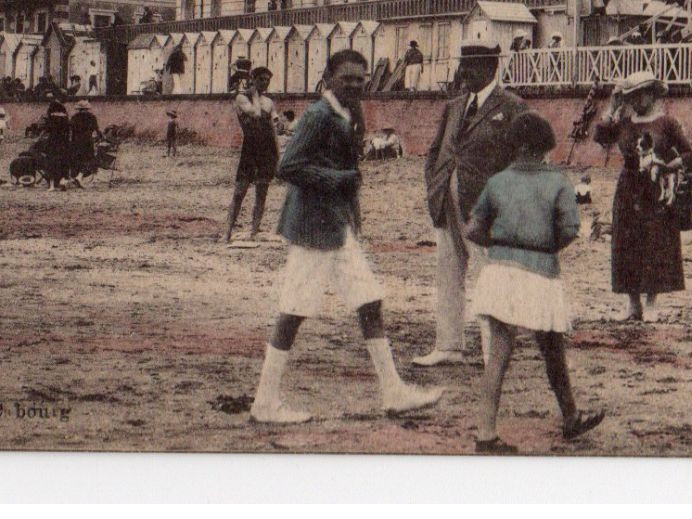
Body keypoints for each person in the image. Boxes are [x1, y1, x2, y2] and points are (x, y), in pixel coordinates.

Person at [247, 49, 441, 423]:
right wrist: (338, 182)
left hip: (336, 224)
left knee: (369, 301)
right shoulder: (319, 115)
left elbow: (349, 168)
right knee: (293, 312)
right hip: (312, 227)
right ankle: (265, 401)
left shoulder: (352, 112)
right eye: (348, 77)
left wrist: (354, 212)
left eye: (360, 77)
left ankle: (393, 390)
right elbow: (288, 167)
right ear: (329, 77)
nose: (356, 83)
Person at [466, 111, 604, 453]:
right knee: (552, 348)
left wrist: (500, 246)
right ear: (544, 147)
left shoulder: (497, 181)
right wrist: (544, 248)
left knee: (498, 354)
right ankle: (569, 416)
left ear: (515, 146)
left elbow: (472, 229)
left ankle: (486, 433)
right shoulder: (557, 182)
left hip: (499, 271)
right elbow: (570, 230)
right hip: (541, 273)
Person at [415, 42, 528, 367]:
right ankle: (449, 344)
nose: (463, 72)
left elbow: (523, 160)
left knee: (488, 276)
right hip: (446, 200)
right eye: (462, 65)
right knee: (448, 271)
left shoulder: (512, 106)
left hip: (487, 208)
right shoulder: (454, 106)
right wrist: (434, 186)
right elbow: (436, 152)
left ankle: (494, 351)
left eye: (470, 66)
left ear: (490, 68)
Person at [593, 70, 692, 323]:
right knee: (626, 244)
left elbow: (689, 155)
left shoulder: (667, 123)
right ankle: (632, 304)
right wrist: (612, 106)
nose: (636, 100)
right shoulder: (624, 123)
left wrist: (667, 166)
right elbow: (601, 137)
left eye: (640, 94)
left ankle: (651, 304)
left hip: (656, 190)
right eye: (632, 96)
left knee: (655, 244)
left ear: (652, 94)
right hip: (629, 188)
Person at [226, 67, 280, 246]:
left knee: (262, 192)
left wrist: (278, 155)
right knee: (240, 191)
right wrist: (255, 95)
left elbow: (274, 129)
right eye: (261, 79)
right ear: (253, 80)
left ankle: (254, 230)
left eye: (267, 80)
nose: (265, 83)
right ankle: (227, 232)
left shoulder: (269, 102)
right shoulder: (242, 98)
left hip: (266, 149)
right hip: (250, 148)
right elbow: (255, 113)